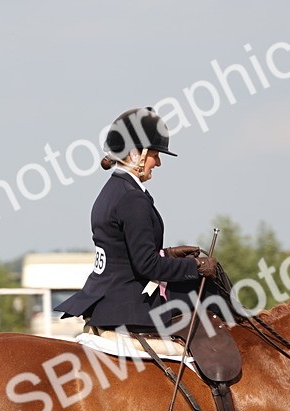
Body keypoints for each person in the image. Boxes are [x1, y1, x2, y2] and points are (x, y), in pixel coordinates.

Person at [55, 107, 219, 342]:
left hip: (106, 299)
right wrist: (196, 267)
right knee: (212, 297)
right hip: (129, 305)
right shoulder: (132, 198)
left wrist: (168, 253)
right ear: (135, 154)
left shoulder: (112, 191)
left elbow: (122, 254)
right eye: (155, 154)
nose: (159, 162)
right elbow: (147, 266)